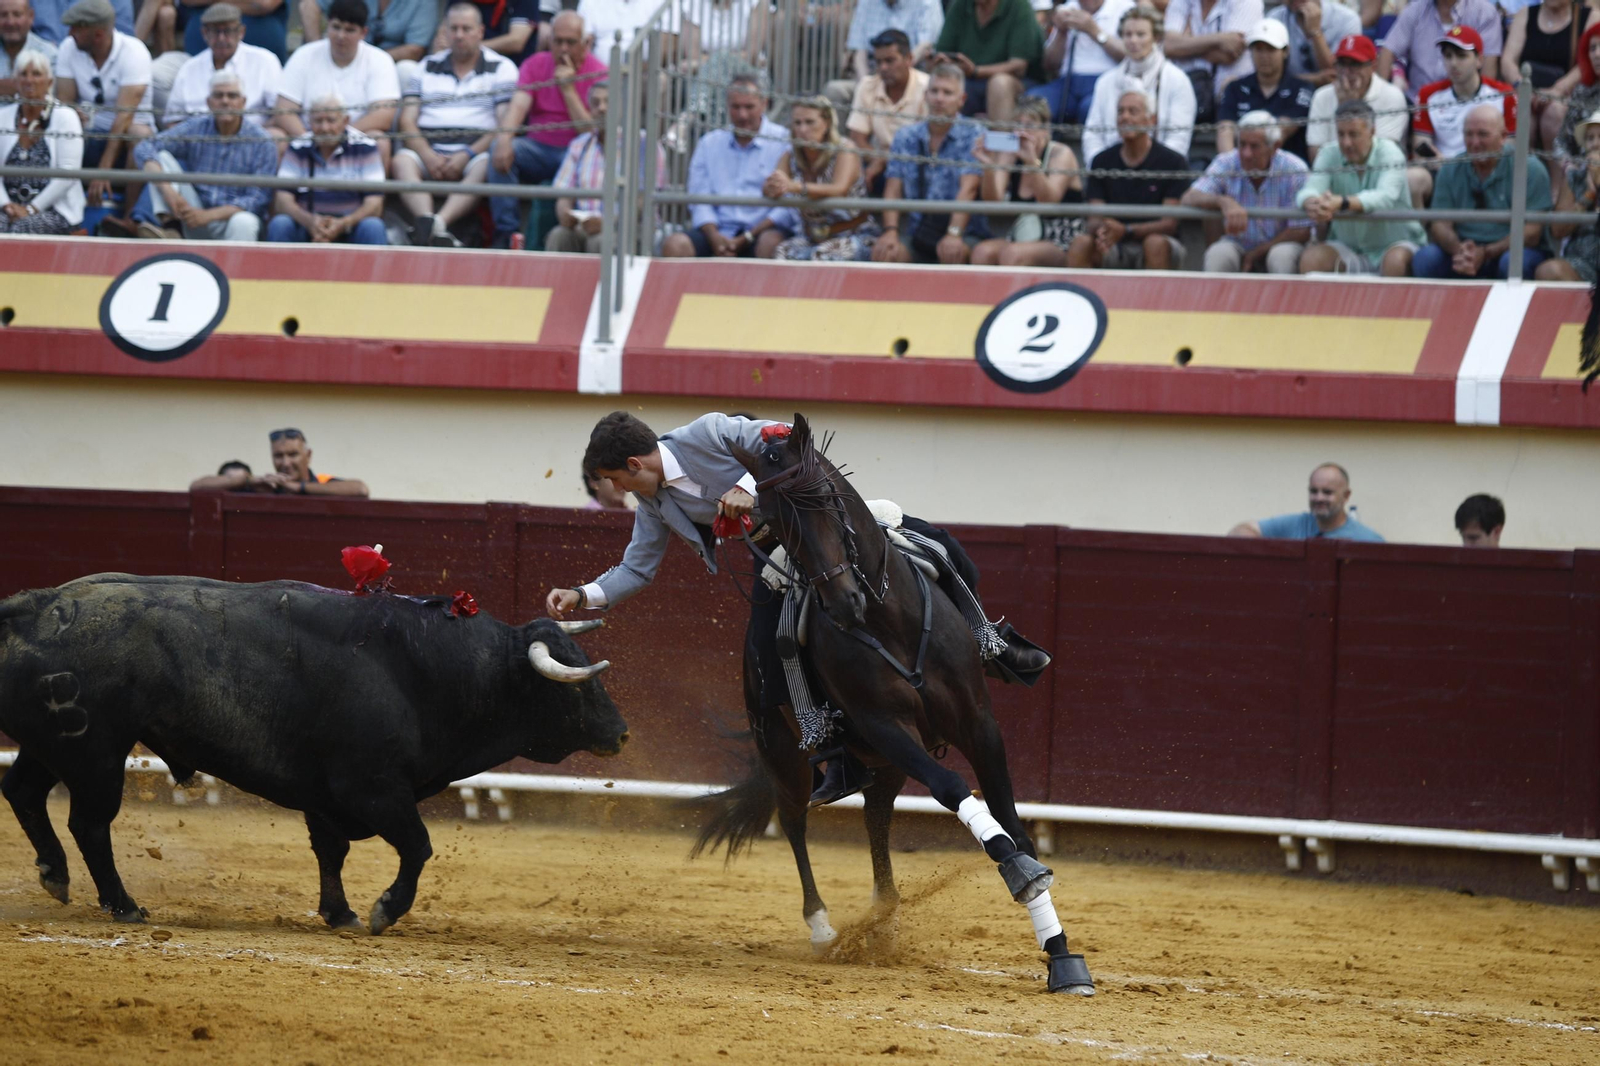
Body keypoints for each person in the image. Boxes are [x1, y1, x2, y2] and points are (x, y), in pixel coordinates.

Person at [543, 411, 1052, 807]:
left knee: (940, 548)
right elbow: (637, 568)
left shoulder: (708, 433)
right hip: (780, 553)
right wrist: (583, 594)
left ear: (634, 465)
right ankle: (835, 755)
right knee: (767, 658)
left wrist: (747, 487)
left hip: (823, 521)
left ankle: (990, 643)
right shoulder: (655, 504)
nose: (623, 491)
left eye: (619, 480)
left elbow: (782, 437)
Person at [391, 3, 515, 247]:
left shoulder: (502, 67)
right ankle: (427, 220)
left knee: (485, 163)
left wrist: (467, 154)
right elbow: (407, 120)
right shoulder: (425, 66)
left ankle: (437, 224)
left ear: (480, 32)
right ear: (445, 31)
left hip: (473, 153)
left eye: (466, 29)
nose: (459, 35)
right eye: (454, 28)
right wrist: (427, 155)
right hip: (429, 150)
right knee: (401, 161)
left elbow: (503, 125)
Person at [487, 9, 604, 248]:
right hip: (539, 149)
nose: (563, 49)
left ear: (586, 43)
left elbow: (590, 134)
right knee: (499, 150)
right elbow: (518, 106)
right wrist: (505, 138)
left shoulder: (600, 73)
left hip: (578, 154)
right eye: (557, 41)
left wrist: (567, 89)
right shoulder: (536, 64)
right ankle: (507, 233)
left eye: (570, 42)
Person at [130, 68, 275, 239]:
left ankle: (233, 266)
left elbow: (257, 199)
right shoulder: (197, 127)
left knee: (244, 222)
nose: (225, 101)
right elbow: (145, 147)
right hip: (191, 214)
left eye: (232, 96)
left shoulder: (262, 141)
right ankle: (171, 228)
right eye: (219, 96)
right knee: (162, 157)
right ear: (209, 102)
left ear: (243, 102)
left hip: (230, 220)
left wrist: (208, 216)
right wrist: (168, 191)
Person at [660, 73, 794, 258]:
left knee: (771, 243)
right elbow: (698, 197)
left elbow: (787, 205)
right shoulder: (709, 143)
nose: (742, 115)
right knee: (676, 245)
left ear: (764, 104)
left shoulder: (783, 141)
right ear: (727, 106)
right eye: (736, 107)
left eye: (749, 107)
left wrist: (748, 236)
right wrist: (714, 236)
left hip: (762, 231)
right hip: (716, 231)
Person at [1412, 104, 1551, 279]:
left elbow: (1532, 233)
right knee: (1425, 259)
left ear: (1503, 137)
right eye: (1469, 134)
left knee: (1512, 262)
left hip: (1510, 251)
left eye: (1483, 134)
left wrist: (1486, 253)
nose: (1475, 143)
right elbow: (1439, 224)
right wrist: (1461, 251)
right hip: (1464, 251)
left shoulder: (1530, 169)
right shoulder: (1451, 169)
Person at [871, 63, 986, 264]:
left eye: (947, 93)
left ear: (962, 100)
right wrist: (890, 231)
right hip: (919, 233)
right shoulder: (906, 136)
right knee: (885, 254)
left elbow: (969, 189)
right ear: (925, 96)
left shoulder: (974, 133)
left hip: (965, 233)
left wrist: (954, 233)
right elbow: (893, 188)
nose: (939, 98)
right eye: (934, 91)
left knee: (951, 252)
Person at [1296, 98, 1423, 275]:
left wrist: (1342, 203)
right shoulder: (1328, 152)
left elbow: (1385, 197)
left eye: (1353, 134)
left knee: (1395, 261)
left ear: (1372, 131)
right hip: (1348, 247)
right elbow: (1310, 189)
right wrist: (1311, 202)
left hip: (1393, 245)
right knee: (1311, 259)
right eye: (1341, 134)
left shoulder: (1391, 152)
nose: (1346, 143)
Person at [54, 0, 154, 224]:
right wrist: (72, 113)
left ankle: (130, 219)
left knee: (139, 136)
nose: (69, 33)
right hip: (88, 132)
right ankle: (64, 214)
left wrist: (104, 170)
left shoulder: (135, 52)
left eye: (76, 28)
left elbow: (124, 117)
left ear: (97, 34)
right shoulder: (68, 48)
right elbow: (65, 100)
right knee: (62, 123)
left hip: (127, 135)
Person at [1068, 87, 1188, 270]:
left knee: (1155, 244)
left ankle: (1155, 299)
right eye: (1120, 111)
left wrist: (1126, 230)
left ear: (1151, 121)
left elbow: (1169, 224)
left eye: (1133, 111)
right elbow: (1094, 217)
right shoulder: (1102, 161)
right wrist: (1104, 230)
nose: (1125, 117)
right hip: (1112, 242)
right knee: (1081, 243)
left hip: (1156, 239)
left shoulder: (1173, 162)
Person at [1182, 108, 1311, 272]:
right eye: (1242, 144)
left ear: (1275, 146)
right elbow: (1189, 197)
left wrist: (1257, 253)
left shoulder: (1294, 169)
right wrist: (1223, 201)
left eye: (1254, 146)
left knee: (1281, 257)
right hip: (1238, 244)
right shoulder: (1228, 162)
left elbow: (1301, 230)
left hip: (1280, 244)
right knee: (1218, 255)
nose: (1246, 153)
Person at [273, 0, 399, 163]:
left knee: (380, 141)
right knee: (275, 137)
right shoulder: (304, 55)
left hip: (357, 140)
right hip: (307, 139)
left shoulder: (380, 60)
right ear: (328, 26)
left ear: (363, 33)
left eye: (349, 30)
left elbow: (383, 116)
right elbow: (283, 110)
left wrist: (339, 138)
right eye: (336, 27)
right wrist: (310, 140)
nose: (341, 36)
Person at [970, 95, 1084, 267]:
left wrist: (1031, 162)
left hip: (1061, 239)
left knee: (1013, 254)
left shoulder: (1060, 154)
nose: (1022, 132)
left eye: (1030, 125)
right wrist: (988, 167)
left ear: (1045, 129)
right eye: (1018, 125)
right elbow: (992, 202)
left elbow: (1049, 202)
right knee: (982, 252)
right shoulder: (1010, 153)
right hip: (1023, 236)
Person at [765, 96, 880, 262]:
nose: (803, 129)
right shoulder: (790, 156)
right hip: (812, 236)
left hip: (854, 233)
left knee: (822, 257)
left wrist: (795, 186)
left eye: (810, 122)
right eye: (797, 123)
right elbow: (773, 184)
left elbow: (839, 188)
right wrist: (773, 186)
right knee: (782, 253)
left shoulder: (845, 149)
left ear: (826, 123)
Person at [1079, 4, 1195, 164]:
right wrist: (1101, 170)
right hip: (1112, 172)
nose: (1133, 40)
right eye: (1128, 34)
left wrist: (1154, 172)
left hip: (1160, 175)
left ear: (1156, 37)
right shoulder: (1106, 81)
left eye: (1141, 34)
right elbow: (1093, 135)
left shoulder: (1177, 79)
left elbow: (1178, 138)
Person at [267, 92, 387, 243]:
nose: (324, 128)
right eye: (318, 121)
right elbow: (283, 200)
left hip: (351, 226)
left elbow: (374, 203)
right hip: (306, 225)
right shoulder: (298, 147)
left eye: (331, 120)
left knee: (373, 226)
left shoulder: (365, 147)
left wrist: (343, 224)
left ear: (345, 121)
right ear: (309, 121)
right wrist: (311, 222)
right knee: (280, 224)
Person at [0, 47, 83, 234]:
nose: (29, 80)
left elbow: (67, 174)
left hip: (54, 209)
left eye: (36, 74)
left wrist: (31, 209)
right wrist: (7, 206)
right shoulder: (2, 116)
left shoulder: (66, 117)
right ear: (15, 81)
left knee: (22, 228)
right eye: (23, 74)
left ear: (49, 82)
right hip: (8, 207)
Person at [161, 5, 280, 131]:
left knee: (277, 135)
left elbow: (281, 114)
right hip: (199, 143)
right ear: (204, 33)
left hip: (251, 140)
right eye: (216, 32)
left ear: (241, 32)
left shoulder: (265, 61)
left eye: (228, 31)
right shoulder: (190, 68)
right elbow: (173, 120)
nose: (221, 38)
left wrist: (253, 135)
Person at [1502, 0, 1592, 156]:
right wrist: (1522, 86)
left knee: (1555, 113)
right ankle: (1524, 175)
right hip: (1527, 89)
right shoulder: (1525, 14)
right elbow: (1508, 61)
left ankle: (1558, 177)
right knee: (1522, 110)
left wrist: (1558, 90)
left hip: (1568, 96)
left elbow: (1588, 61)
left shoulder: (1590, 16)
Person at [1412, 26, 1516, 162]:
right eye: (1448, 56)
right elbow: (1420, 150)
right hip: (1441, 170)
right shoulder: (1427, 95)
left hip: (1489, 168)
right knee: (1415, 177)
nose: (1453, 63)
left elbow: (1510, 148)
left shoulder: (1505, 95)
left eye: (1461, 56)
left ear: (1479, 60)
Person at [845, 29, 928, 196]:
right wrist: (878, 160)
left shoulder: (927, 88)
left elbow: (926, 146)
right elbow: (857, 137)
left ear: (909, 59)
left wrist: (883, 161)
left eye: (890, 61)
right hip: (876, 162)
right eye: (878, 62)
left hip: (917, 165)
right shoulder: (867, 85)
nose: (883, 68)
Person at [1216, 18, 1313, 160]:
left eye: (1271, 49)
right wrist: (1229, 168)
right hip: (1242, 166)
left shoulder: (1301, 89)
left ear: (1285, 52)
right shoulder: (1235, 88)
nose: (1264, 56)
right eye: (1258, 49)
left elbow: (1282, 131)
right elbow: (1225, 130)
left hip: (1287, 171)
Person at [933, 0, 1043, 124]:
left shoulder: (1019, 6)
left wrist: (976, 71)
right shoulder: (960, 5)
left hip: (1018, 82)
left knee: (999, 83)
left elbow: (1019, 66)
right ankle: (938, 138)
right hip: (968, 80)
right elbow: (943, 50)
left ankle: (999, 141)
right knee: (939, 83)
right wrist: (943, 60)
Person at [1026, 0, 1132, 124]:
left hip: (1106, 80)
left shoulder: (1124, 7)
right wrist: (1061, 32)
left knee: (1089, 108)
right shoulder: (1068, 8)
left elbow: (1130, 56)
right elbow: (1049, 64)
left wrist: (1094, 31)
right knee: (1033, 104)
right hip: (1067, 83)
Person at [1229, 462, 1384, 541]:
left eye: (1327, 492)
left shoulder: (1368, 540)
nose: (1319, 498)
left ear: (1346, 496)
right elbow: (1241, 530)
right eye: (1313, 491)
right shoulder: (1295, 524)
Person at [190, 428, 369, 495]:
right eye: (278, 456)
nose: (285, 462)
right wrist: (248, 480)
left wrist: (299, 487)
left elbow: (360, 489)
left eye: (293, 455)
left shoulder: (323, 483)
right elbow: (197, 487)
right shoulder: (266, 487)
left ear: (308, 455)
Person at [1304, 34, 1406, 152]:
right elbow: (1316, 155)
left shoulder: (1392, 96)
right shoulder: (1321, 96)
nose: (1346, 72)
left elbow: (1380, 156)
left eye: (1355, 64)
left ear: (1373, 66)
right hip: (1330, 170)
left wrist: (1351, 108)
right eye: (1342, 63)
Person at [1376, 0, 1503, 95]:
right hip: (1417, 101)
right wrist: (1383, 96)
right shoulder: (1415, 9)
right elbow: (1388, 51)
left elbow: (1488, 68)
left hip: (1465, 100)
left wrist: (1479, 102)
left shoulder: (1485, 13)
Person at [1162, 0, 1264, 105]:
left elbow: (1228, 54)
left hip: (1232, 99)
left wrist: (1186, 44)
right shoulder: (1181, 2)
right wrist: (1220, 38)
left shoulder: (1247, 2)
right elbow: (1169, 47)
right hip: (1189, 97)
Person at [299, 0, 437, 64]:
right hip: (342, 54)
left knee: (406, 70)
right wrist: (317, 50)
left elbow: (415, 49)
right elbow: (308, 4)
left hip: (391, 62)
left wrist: (367, 60)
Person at [1268, 0, 1361, 86]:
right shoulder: (1275, 19)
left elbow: (1337, 75)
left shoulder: (1348, 19)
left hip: (1334, 94)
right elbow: (1267, 76)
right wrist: (1313, 79)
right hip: (1287, 94)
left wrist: (1316, 32)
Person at [0, 0, 57, 98]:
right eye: (3, 15)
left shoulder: (48, 53)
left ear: (31, 16)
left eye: (17, 15)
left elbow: (50, 95)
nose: (10, 22)